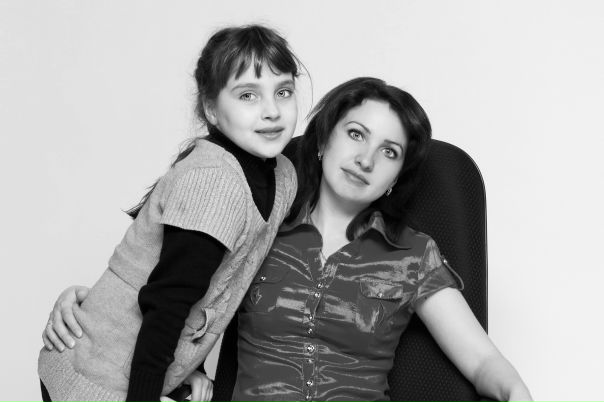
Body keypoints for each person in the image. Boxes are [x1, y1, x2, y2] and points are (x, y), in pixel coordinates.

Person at [45, 78, 533, 401]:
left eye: (389, 152)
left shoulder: (413, 254)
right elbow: (162, 289)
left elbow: (483, 360)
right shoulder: (258, 225)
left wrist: (516, 394)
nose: (366, 159)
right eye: (356, 134)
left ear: (395, 178)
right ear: (323, 141)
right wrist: (84, 304)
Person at [37, 24, 302, 402]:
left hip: (137, 368)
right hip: (91, 378)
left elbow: (220, 288)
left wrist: (184, 371)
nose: (272, 111)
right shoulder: (214, 180)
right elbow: (168, 305)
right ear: (211, 109)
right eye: (248, 95)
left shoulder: (282, 173)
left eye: (284, 91)